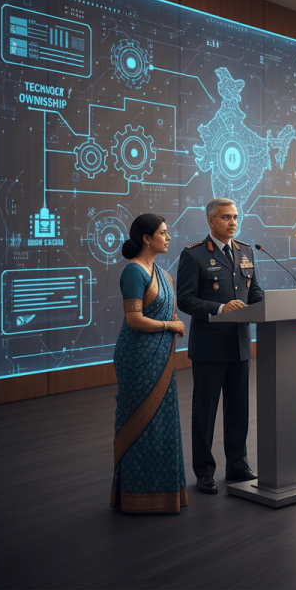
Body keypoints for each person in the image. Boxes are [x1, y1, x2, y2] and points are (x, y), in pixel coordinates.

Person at [177, 198, 264, 495]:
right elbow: (185, 300)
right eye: (226, 217)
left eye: (235, 217)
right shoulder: (195, 255)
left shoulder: (246, 251)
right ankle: (204, 472)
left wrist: (273, 305)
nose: (233, 222)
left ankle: (238, 465)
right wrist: (220, 307)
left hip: (239, 344)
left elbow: (255, 292)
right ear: (211, 221)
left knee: (238, 410)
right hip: (210, 347)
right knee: (206, 412)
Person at [112, 213, 188, 514]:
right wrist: (170, 327)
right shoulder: (134, 272)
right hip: (138, 359)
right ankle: (134, 496)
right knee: (140, 423)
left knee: (162, 423)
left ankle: (162, 493)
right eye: (163, 233)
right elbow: (134, 319)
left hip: (160, 358)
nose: (168, 237)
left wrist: (174, 321)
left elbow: (166, 313)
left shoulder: (161, 273)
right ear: (147, 238)